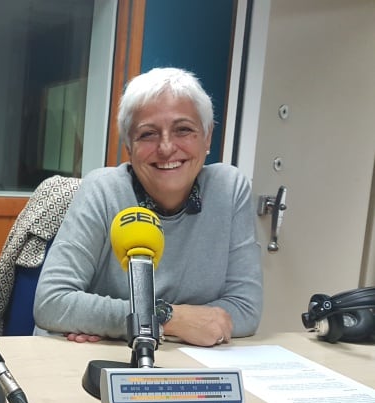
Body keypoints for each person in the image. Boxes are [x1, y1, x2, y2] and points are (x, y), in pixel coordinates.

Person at [32, 67, 263, 347]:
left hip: (186, 363)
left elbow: (245, 309)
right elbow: (52, 303)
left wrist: (112, 321)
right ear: (129, 145)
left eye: (183, 130)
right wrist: (171, 318)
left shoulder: (230, 189)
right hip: (96, 359)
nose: (166, 148)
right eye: (148, 134)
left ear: (208, 137)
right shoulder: (103, 190)